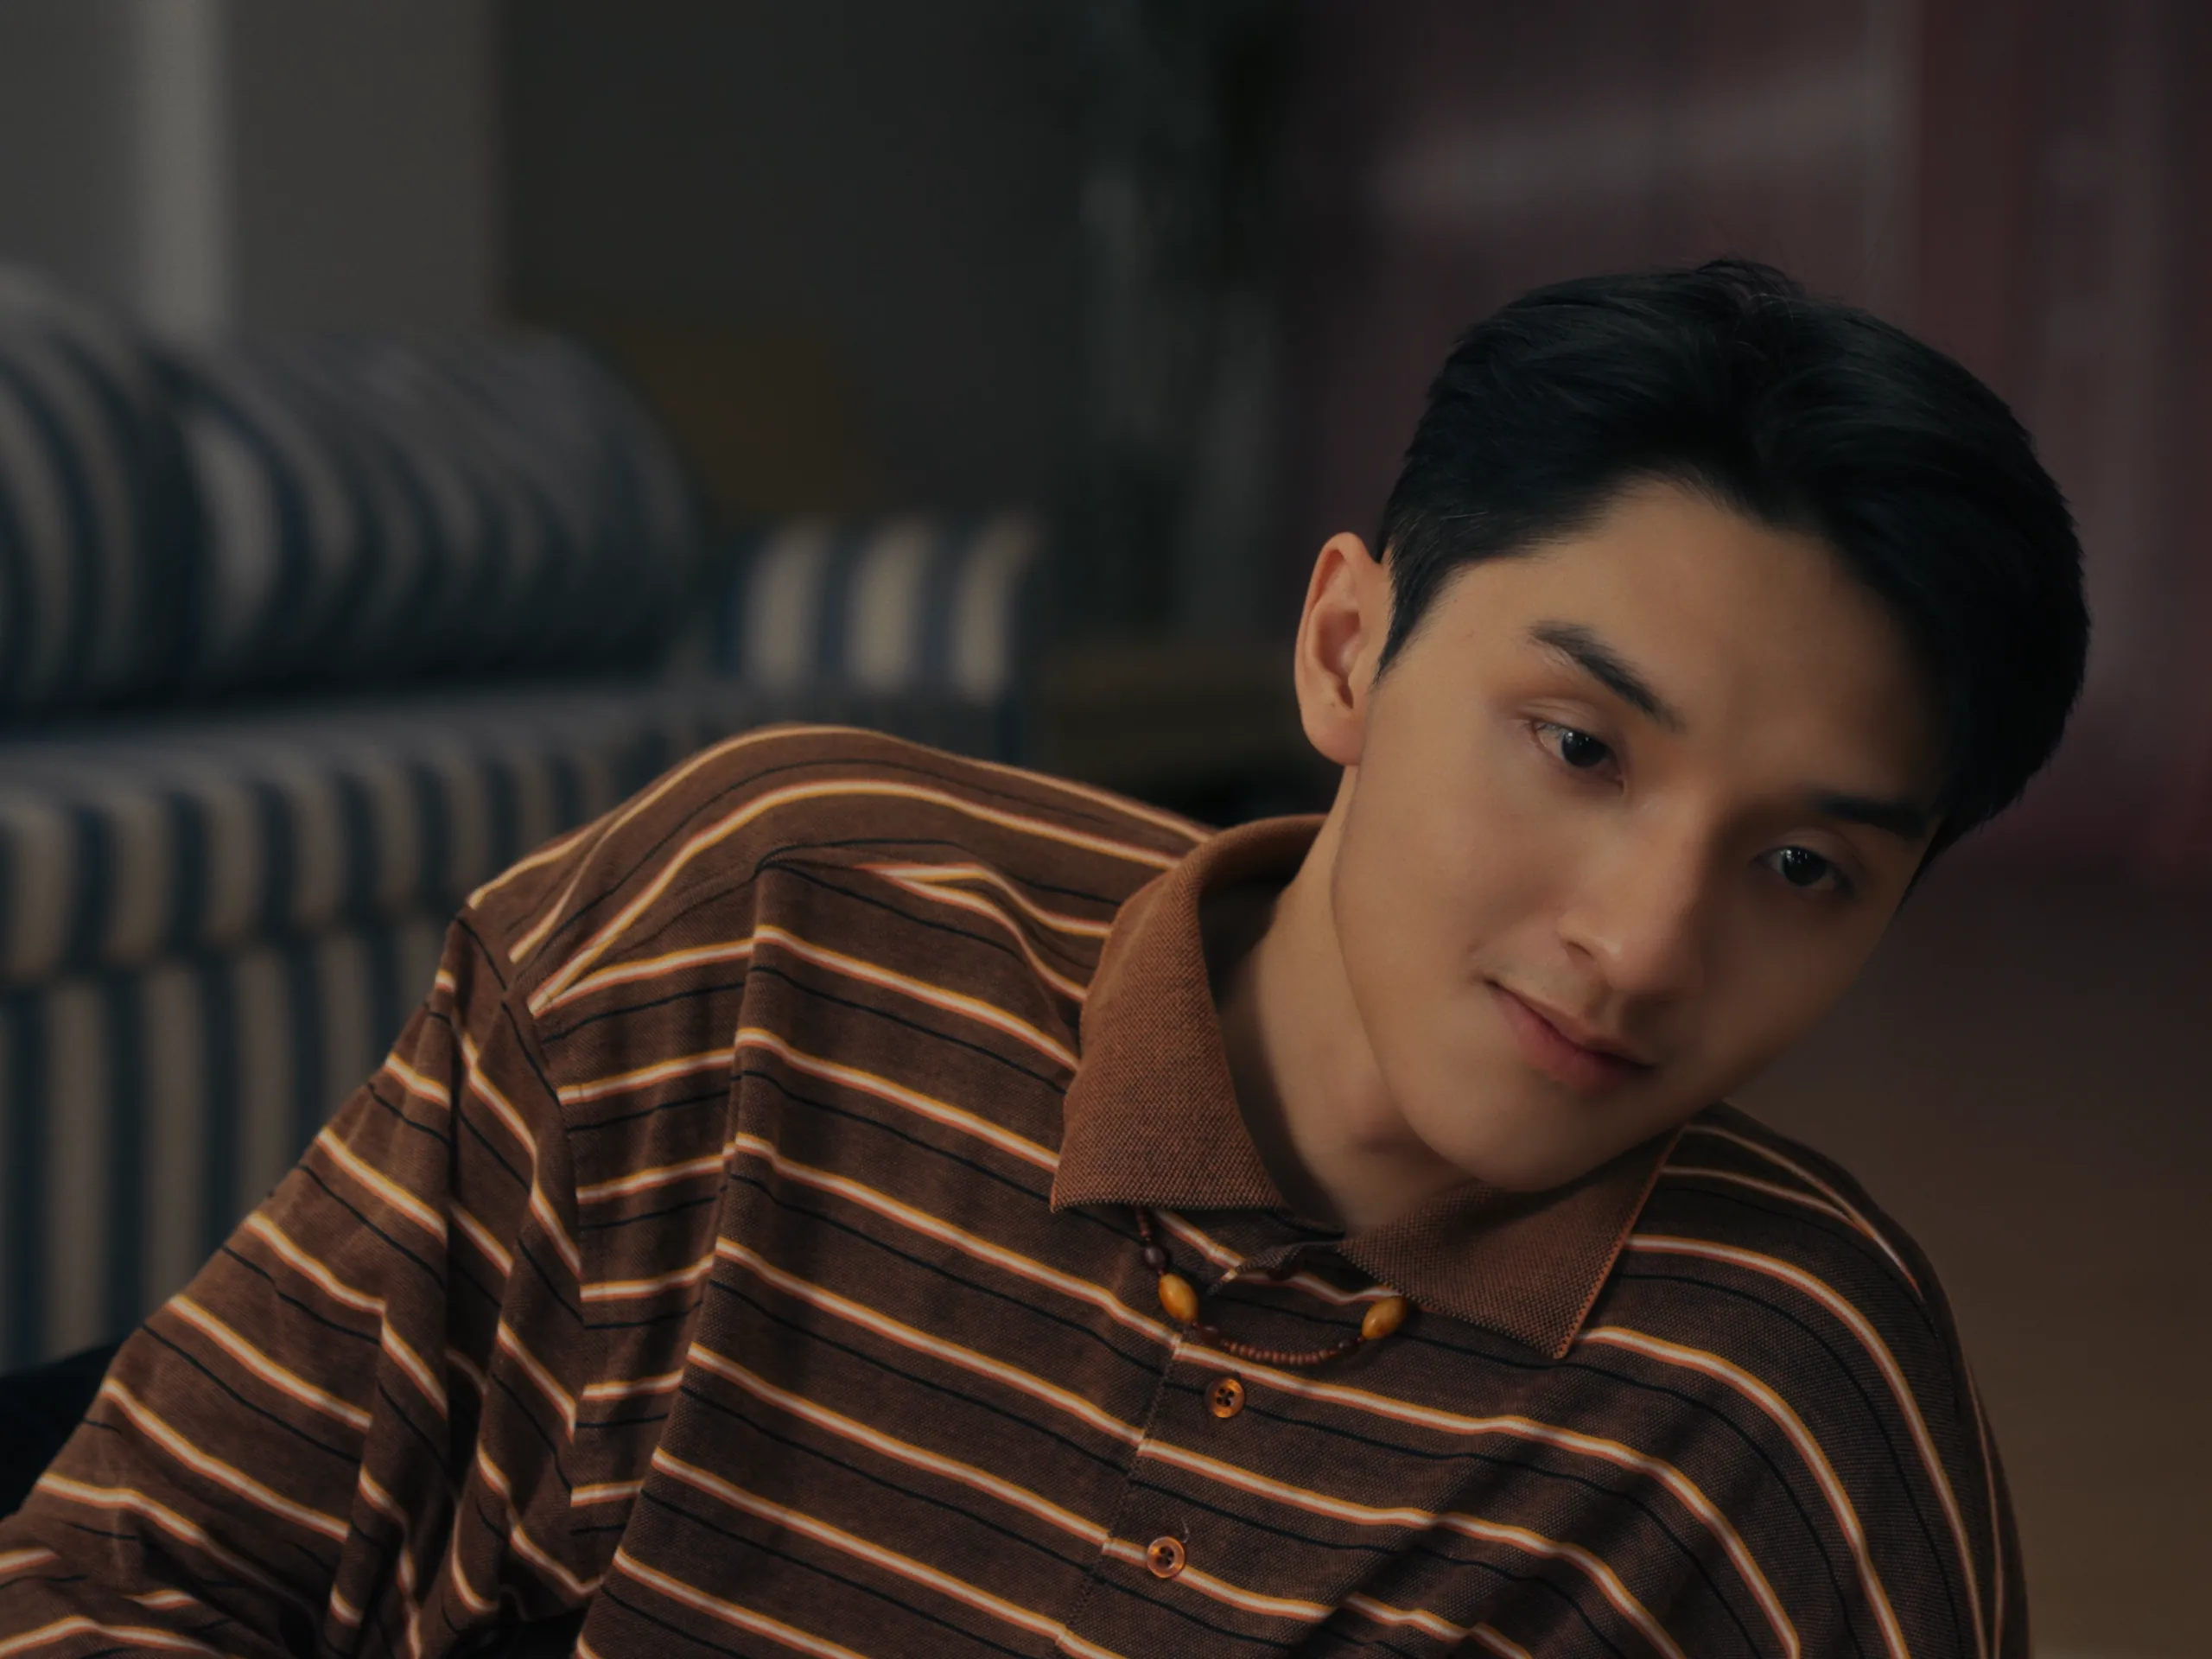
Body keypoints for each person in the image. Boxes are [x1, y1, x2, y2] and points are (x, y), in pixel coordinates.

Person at [0, 261, 2085, 1658]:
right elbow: (113, 1576)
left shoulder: (1780, 1396)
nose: (1637, 947)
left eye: (1798, 867)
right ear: (1345, 648)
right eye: (1574, 746)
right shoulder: (764, 933)